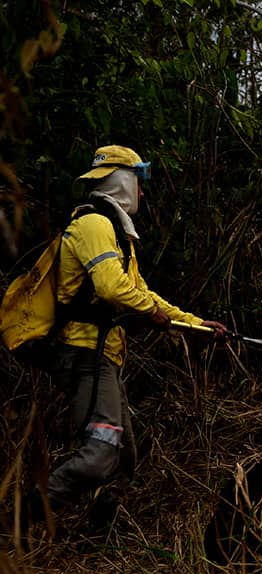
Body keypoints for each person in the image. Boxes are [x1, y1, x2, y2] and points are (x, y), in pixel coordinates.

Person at [23, 145, 228, 528]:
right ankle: (19, 521)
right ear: (120, 180)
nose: (143, 193)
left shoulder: (115, 233)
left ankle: (93, 536)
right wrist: (148, 312)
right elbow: (113, 287)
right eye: (139, 182)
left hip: (103, 356)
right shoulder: (93, 224)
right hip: (85, 354)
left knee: (124, 460)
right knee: (102, 453)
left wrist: (197, 325)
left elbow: (142, 292)